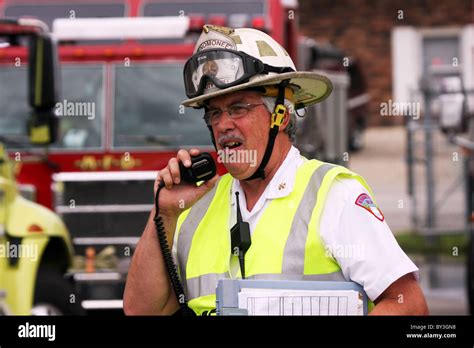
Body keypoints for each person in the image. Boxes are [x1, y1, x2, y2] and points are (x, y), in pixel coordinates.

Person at [124, 25, 428, 316]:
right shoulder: (191, 207)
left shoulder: (336, 195)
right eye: (214, 113)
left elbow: (407, 304)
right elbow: (141, 310)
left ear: (280, 116)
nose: (222, 124)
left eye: (239, 108)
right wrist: (164, 215)